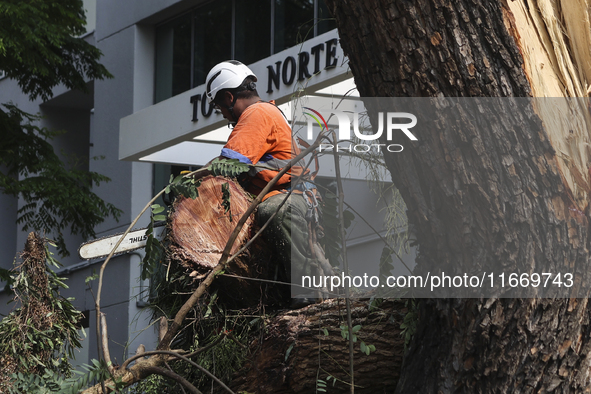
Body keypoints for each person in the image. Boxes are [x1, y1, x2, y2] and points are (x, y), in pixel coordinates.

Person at [204, 60, 324, 307]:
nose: (224, 115)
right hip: (273, 197)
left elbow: (229, 165)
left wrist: (193, 182)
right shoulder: (261, 114)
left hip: (291, 200)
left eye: (220, 108)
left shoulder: (257, 114)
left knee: (274, 211)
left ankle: (305, 291)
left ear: (228, 97)